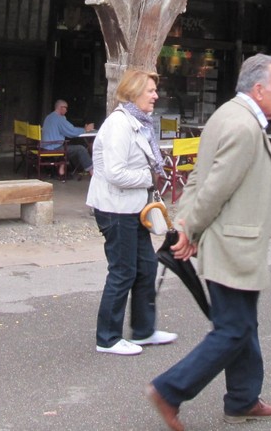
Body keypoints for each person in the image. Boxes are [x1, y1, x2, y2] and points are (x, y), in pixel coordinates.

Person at [147, 54, 271, 431]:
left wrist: (185, 225)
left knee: (243, 323)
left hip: (229, 242)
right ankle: (170, 390)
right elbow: (215, 188)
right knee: (233, 329)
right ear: (258, 90)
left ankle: (243, 398)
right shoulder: (243, 127)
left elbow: (198, 178)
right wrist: (190, 230)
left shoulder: (227, 115)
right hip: (234, 245)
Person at [85, 70, 176, 356]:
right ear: (135, 92)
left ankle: (143, 330)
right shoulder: (119, 125)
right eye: (150, 90)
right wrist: (148, 177)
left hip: (134, 209)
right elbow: (114, 173)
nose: (155, 95)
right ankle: (108, 338)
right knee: (123, 271)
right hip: (115, 209)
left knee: (146, 267)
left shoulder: (139, 123)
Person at [41, 99, 95, 178]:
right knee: (81, 148)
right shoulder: (59, 118)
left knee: (68, 147)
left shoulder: (49, 117)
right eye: (65, 108)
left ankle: (61, 169)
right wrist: (85, 129)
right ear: (60, 108)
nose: (66, 110)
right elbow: (71, 131)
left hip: (45, 146)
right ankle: (92, 172)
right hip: (54, 147)